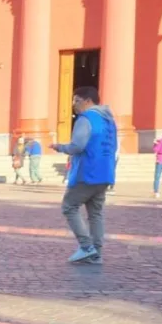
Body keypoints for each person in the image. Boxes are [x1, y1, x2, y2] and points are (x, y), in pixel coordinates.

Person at [50, 86, 116, 264]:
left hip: (87, 171)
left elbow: (77, 146)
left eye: (76, 101)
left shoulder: (86, 118)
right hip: (105, 172)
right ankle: (97, 252)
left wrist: (60, 147)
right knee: (96, 213)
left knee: (69, 206)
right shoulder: (109, 120)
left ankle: (87, 247)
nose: (74, 105)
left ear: (87, 101)